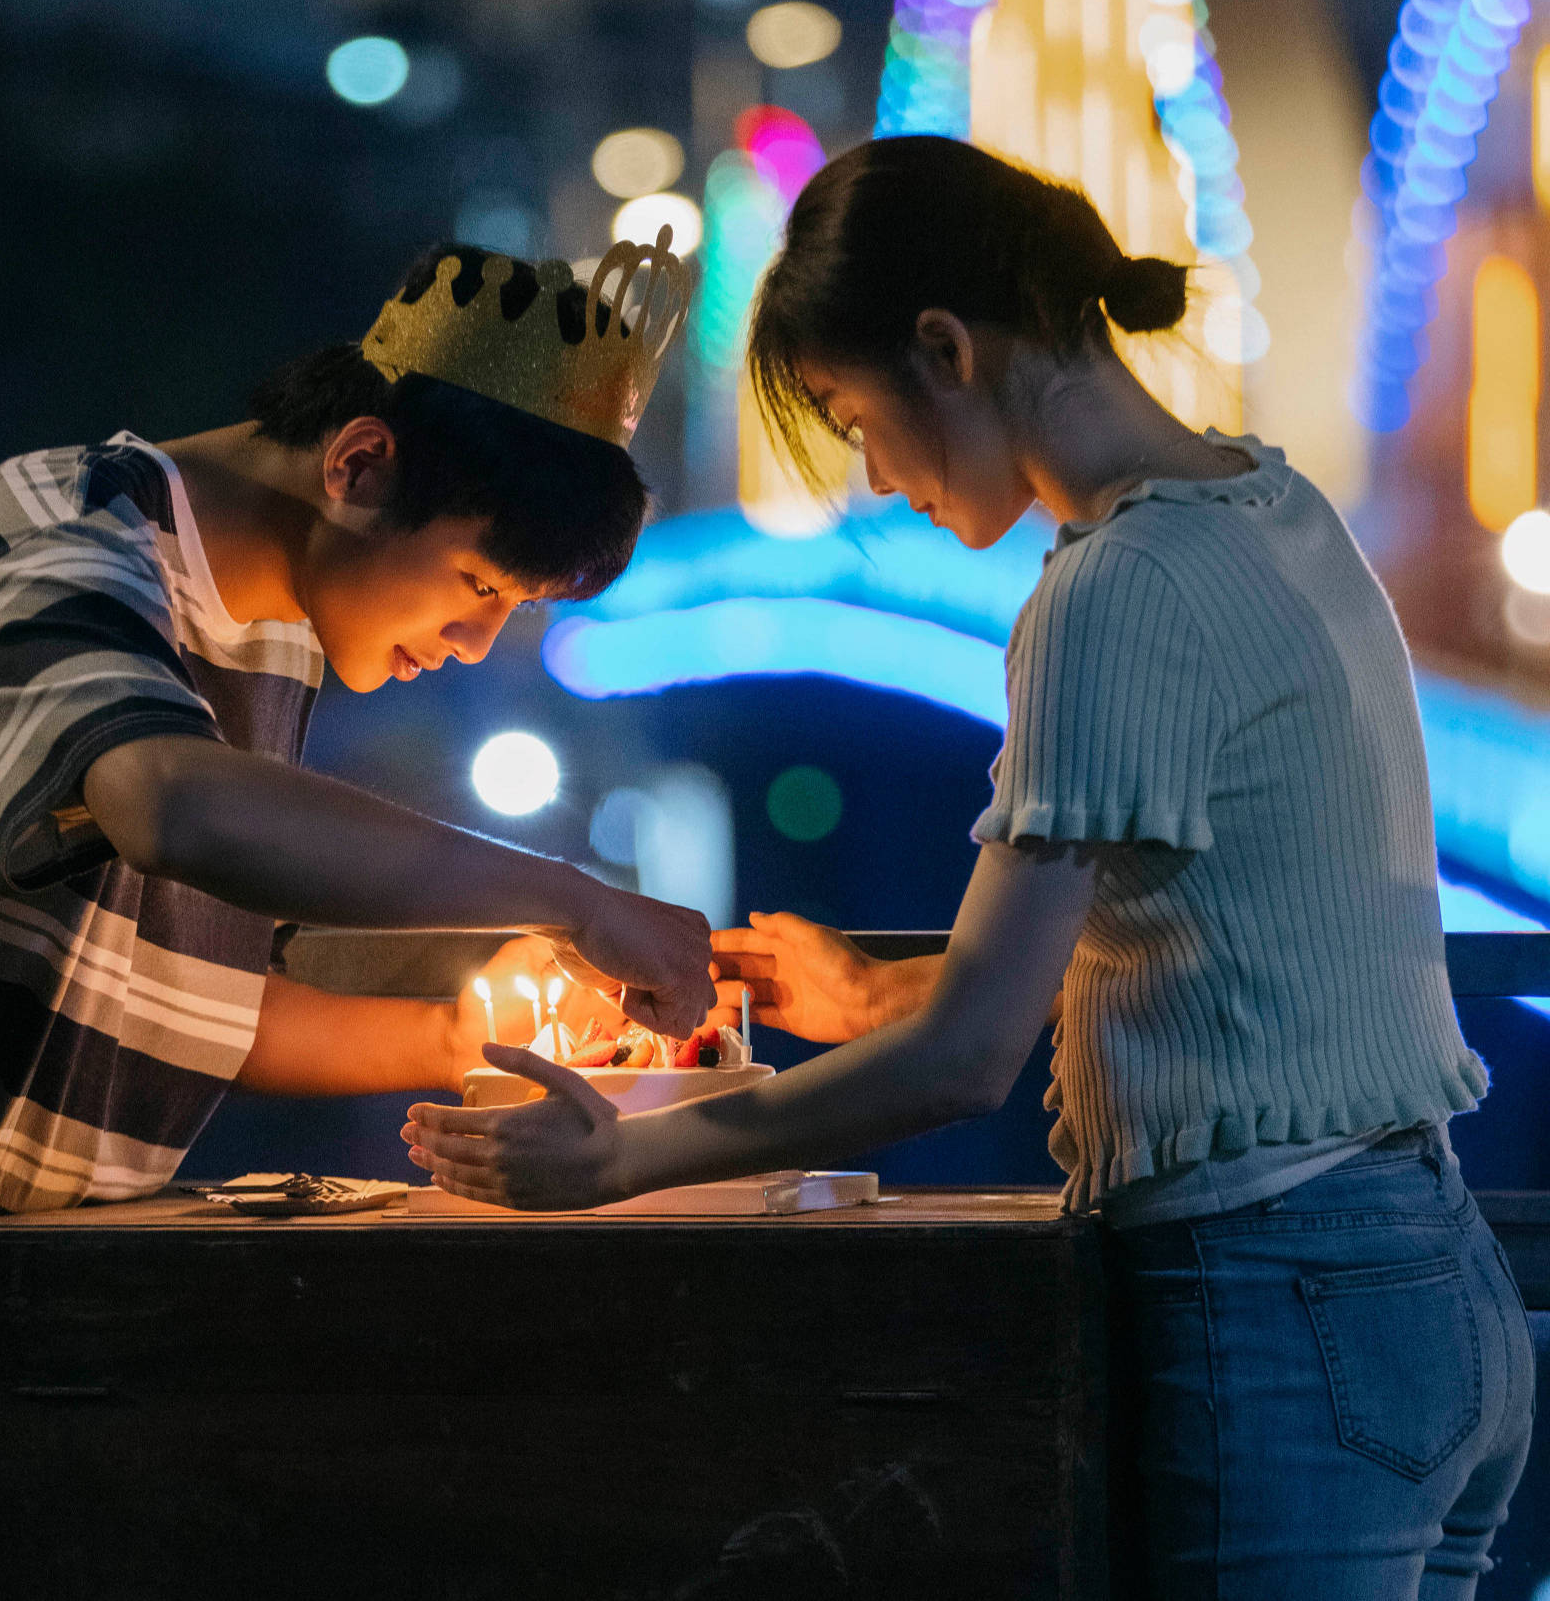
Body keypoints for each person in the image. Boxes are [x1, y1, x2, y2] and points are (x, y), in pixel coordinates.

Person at [405, 137, 1537, 1596]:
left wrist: (621, 1156)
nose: (873, 476)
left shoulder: (1112, 592)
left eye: (853, 416)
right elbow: (1223, 933)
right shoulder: (1275, 509)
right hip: (1437, 1286)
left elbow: (964, 1067)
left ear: (946, 349)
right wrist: (879, 991)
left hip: (1279, 1305)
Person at [0, 235, 713, 1601]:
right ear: (358, 465)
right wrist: (572, 900)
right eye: (479, 589)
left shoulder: (271, 631)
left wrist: (498, 1039)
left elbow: (188, 1005)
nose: (473, 645)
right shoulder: (64, 543)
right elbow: (171, 809)